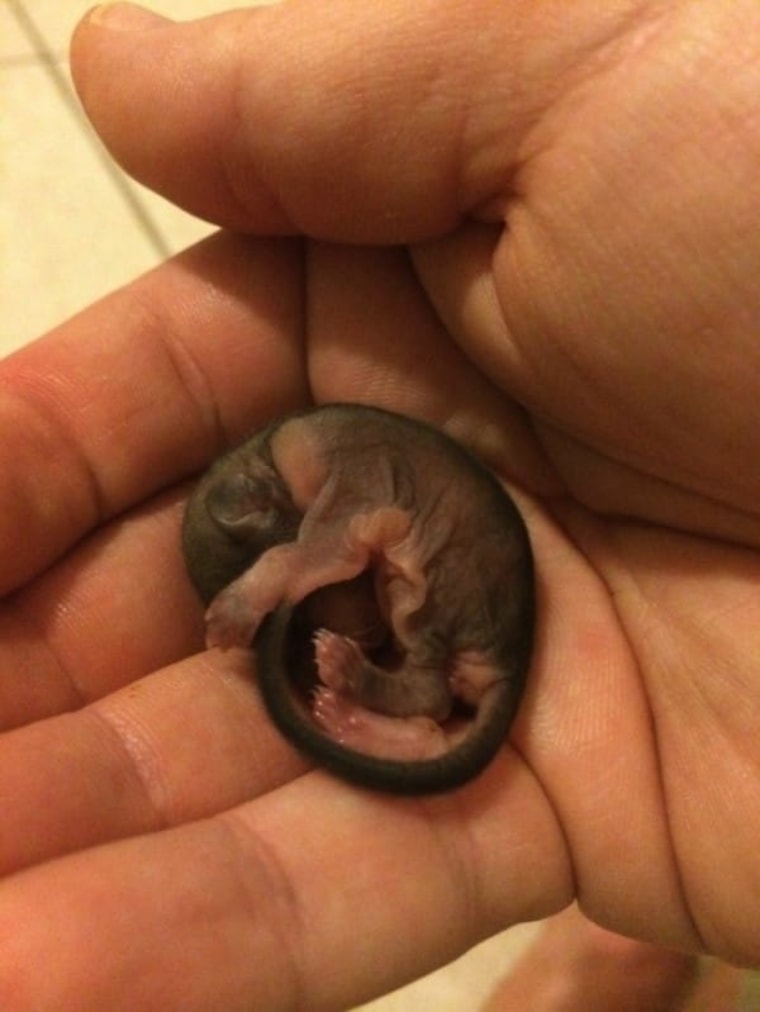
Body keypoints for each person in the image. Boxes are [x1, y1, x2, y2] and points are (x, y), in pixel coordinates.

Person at [0, 1, 757, 1007]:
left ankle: (446, 744)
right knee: (431, 656)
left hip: (470, 601)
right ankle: (600, 926)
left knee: (432, 658)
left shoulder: (327, 464)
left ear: (258, 506)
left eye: (258, 549)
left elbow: (327, 544)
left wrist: (262, 592)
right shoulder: (330, 459)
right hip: (476, 596)